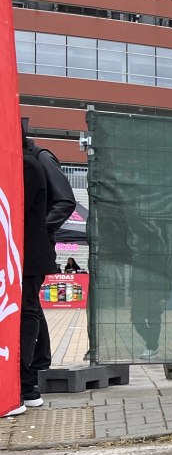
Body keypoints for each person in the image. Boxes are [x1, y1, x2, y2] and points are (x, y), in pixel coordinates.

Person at [21, 124, 76, 383]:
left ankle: (36, 363)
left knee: (28, 303)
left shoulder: (41, 157)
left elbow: (66, 200)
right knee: (29, 304)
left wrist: (38, 229)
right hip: (30, 241)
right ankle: (39, 359)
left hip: (37, 242)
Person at [19, 141, 57, 410]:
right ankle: (31, 373)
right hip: (24, 252)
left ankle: (27, 380)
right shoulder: (27, 163)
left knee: (28, 310)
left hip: (30, 253)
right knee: (29, 311)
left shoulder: (30, 164)